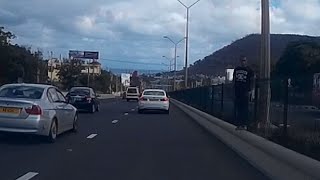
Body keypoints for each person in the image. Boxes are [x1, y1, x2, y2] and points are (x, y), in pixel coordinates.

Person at [233, 56, 254, 130]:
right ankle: (239, 124)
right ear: (240, 61)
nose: (243, 62)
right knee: (239, 108)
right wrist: (234, 89)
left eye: (244, 60)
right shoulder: (236, 69)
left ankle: (244, 124)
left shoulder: (249, 70)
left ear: (246, 61)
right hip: (237, 91)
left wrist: (250, 90)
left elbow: (252, 81)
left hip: (245, 91)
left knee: (245, 108)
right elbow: (234, 80)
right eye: (242, 60)